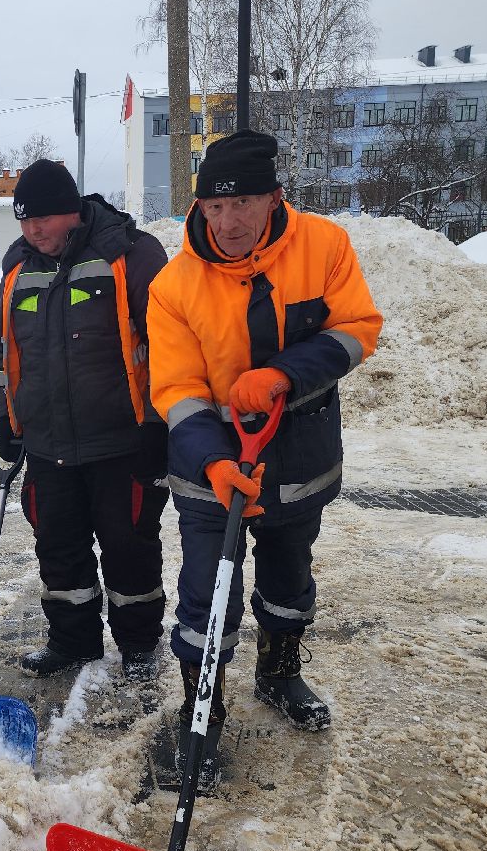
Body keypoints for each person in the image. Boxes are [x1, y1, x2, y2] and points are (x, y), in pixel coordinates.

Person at [147, 131, 382, 730]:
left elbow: (357, 328)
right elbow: (176, 389)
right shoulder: (173, 286)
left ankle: (279, 673)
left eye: (243, 204)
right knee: (207, 589)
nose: (229, 222)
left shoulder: (325, 246)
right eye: (214, 207)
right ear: (199, 208)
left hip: (299, 454)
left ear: (274, 198)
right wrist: (212, 462)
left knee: (289, 573)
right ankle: (204, 705)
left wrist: (283, 374)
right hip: (213, 468)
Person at [0, 160, 171, 680]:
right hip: (47, 444)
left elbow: (167, 345)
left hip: (122, 442)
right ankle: (73, 641)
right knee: (59, 550)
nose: (31, 231)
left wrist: (160, 425)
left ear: (69, 210)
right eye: (23, 222)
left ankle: (138, 646)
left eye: (40, 220)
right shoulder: (18, 267)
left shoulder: (131, 255)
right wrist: (7, 419)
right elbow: (1, 348)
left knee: (129, 548)